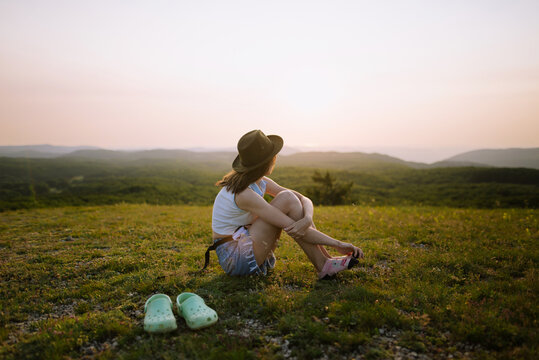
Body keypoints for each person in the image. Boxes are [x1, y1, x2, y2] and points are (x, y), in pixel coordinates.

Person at [209, 130, 364, 279]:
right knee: (288, 198)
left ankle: (325, 262)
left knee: (288, 198)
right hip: (235, 258)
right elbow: (292, 226)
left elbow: (304, 199)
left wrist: (308, 218)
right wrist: (338, 244)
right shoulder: (244, 194)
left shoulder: (259, 182)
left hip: (243, 243)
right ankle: (324, 264)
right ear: (268, 161)